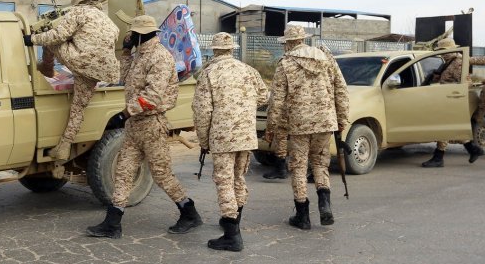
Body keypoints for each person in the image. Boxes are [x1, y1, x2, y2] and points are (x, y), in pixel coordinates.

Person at [86, 15, 203, 239]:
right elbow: (124, 76)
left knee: (162, 175)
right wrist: (126, 51)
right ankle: (113, 224)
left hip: (151, 125)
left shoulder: (160, 58)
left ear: (140, 34)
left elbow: (152, 96)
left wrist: (124, 114)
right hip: (135, 126)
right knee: (123, 171)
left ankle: (189, 212)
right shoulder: (141, 55)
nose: (130, 37)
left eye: (132, 35)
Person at [24, 0, 120, 177]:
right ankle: (64, 145)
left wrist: (32, 39)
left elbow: (57, 36)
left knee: (49, 38)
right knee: (79, 106)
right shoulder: (107, 20)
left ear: (78, 4)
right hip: (103, 70)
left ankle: (47, 67)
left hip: (81, 62)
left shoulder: (77, 13)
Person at [264, 25, 349, 230]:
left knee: (299, 167)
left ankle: (303, 216)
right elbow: (341, 87)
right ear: (302, 39)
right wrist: (342, 118)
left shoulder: (285, 64)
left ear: (288, 43)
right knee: (320, 164)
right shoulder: (325, 58)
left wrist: (272, 127)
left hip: (299, 123)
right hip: (325, 120)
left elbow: (276, 100)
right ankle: (325, 205)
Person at [193, 32, 268, 251]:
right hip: (245, 135)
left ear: (214, 50)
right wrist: (243, 108)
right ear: (232, 49)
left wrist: (204, 140)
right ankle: (235, 219)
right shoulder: (248, 70)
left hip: (222, 136)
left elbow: (202, 111)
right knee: (238, 178)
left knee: (224, 181)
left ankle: (232, 235)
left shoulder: (209, 73)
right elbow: (264, 96)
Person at [421, 38, 485, 168]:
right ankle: (473, 149)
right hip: (447, 98)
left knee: (443, 128)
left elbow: (466, 83)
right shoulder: (449, 63)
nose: (441, 54)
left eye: (442, 51)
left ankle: (438, 157)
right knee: (452, 129)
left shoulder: (457, 63)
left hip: (452, 99)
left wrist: (452, 89)